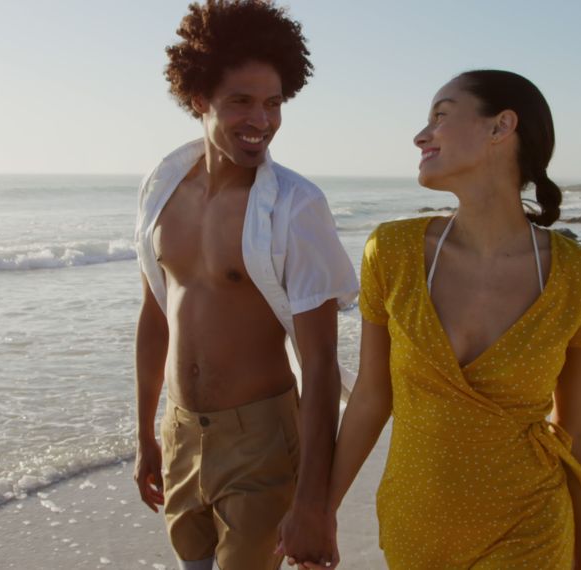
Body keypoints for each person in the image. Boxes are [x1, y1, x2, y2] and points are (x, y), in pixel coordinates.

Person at [314, 70, 581, 569]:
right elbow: (371, 394)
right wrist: (322, 508)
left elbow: (576, 423)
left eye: (440, 116)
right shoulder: (391, 251)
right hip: (415, 530)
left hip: (530, 529)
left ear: (501, 127)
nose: (420, 135)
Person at [131, 1, 357, 568]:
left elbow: (322, 360)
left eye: (274, 103)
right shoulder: (161, 189)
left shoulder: (297, 207)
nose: (261, 120)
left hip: (261, 441)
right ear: (198, 98)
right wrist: (146, 436)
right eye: (241, 102)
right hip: (180, 430)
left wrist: (313, 501)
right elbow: (156, 315)